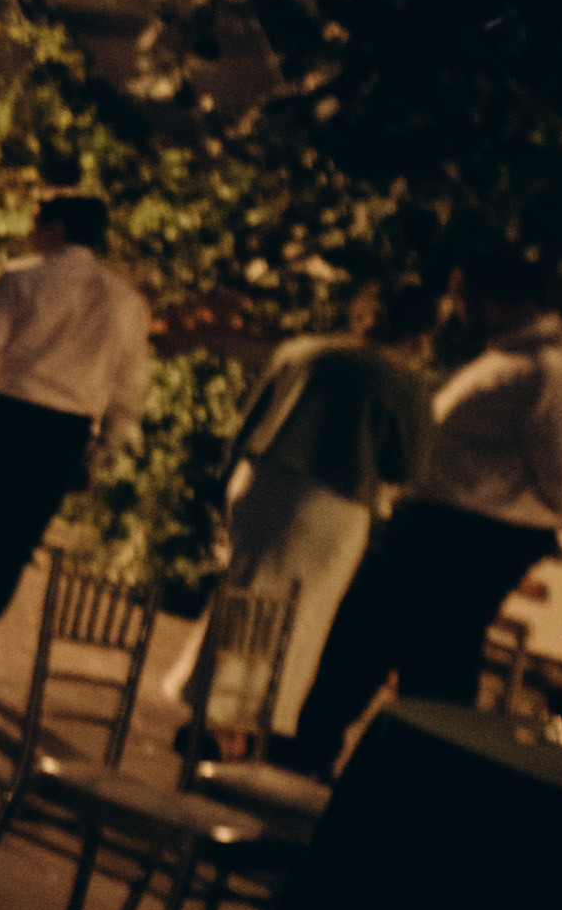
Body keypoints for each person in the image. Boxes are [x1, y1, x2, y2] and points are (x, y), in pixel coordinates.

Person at [273, 262, 562, 776]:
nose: (460, 314)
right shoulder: (517, 358)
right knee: (370, 639)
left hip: (471, 533)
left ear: (501, 301)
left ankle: (413, 785)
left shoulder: (558, 369)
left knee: (430, 659)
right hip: (445, 525)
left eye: (467, 301)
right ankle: (314, 757)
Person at [161, 295, 429, 745]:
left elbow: (250, 419)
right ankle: (238, 724)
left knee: (244, 595)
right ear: (419, 335)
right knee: (296, 617)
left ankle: (208, 708)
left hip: (260, 479)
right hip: (330, 502)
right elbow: (406, 465)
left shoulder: (302, 351)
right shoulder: (400, 379)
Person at [0, 190, 151, 708]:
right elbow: (129, 387)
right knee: (14, 547)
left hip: (7, 418)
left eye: (38, 222)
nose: (31, 231)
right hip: (65, 434)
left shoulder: (21, 280)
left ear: (58, 228)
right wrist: (103, 450)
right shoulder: (127, 302)